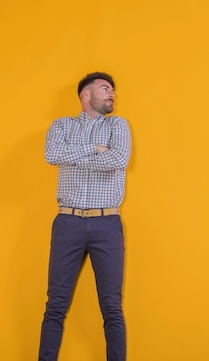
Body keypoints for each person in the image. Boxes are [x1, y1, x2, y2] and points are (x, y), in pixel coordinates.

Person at [38, 72, 132, 361]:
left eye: (113, 90)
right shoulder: (62, 125)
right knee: (55, 305)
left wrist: (75, 156)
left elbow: (118, 159)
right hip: (68, 223)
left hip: (107, 223)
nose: (112, 94)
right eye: (105, 89)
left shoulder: (118, 125)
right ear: (86, 95)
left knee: (112, 306)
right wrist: (94, 149)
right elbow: (52, 154)